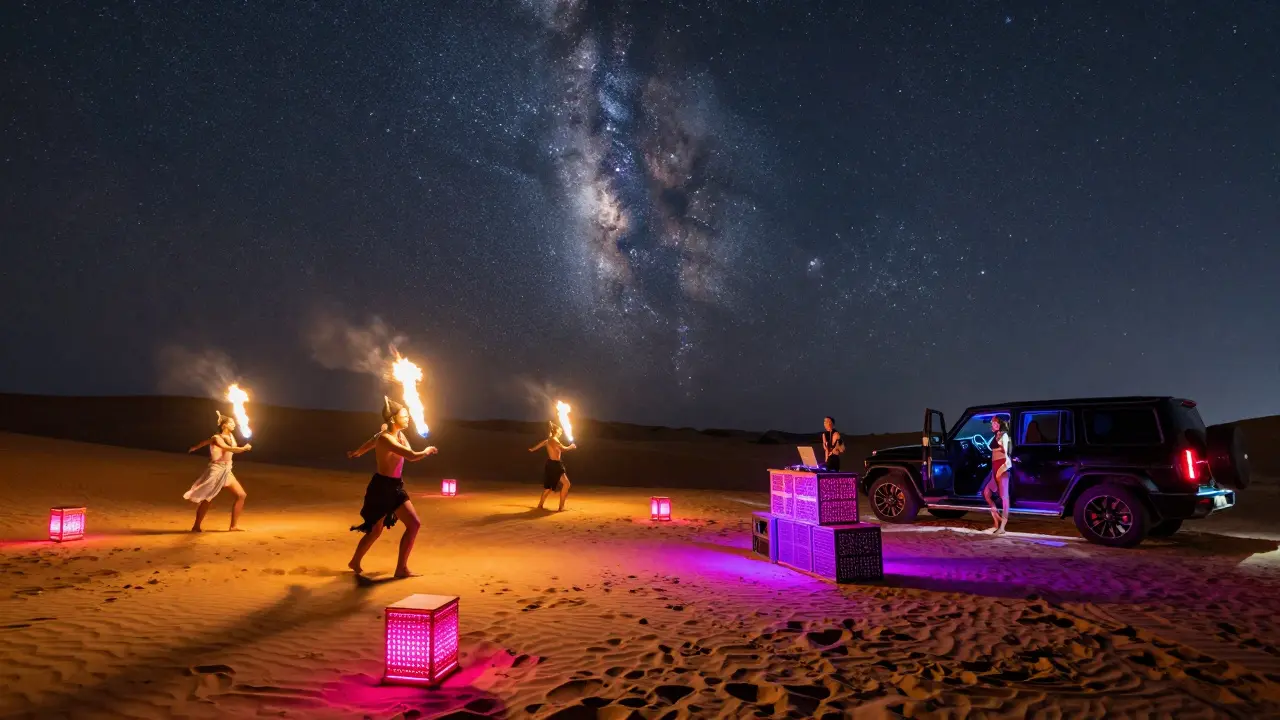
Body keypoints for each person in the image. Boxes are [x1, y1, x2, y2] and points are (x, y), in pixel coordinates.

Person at [347, 397, 437, 577]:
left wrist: (358, 451)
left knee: (412, 525)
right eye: (404, 415)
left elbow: (372, 440)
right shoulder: (387, 439)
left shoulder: (397, 435)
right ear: (392, 419)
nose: (408, 418)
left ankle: (398, 568)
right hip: (382, 488)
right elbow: (411, 456)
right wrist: (427, 451)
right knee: (377, 531)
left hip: (395, 487)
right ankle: (359, 561)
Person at [184, 411, 252, 532]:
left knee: (241, 495)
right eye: (231, 423)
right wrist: (243, 448)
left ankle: (233, 526)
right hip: (216, 470)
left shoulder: (231, 436)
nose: (234, 425)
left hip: (227, 470)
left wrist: (196, 447)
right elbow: (226, 448)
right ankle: (196, 526)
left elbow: (205, 442)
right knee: (208, 498)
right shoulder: (217, 438)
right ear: (224, 425)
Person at [529, 422, 576, 511]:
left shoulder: (548, 440)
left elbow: (541, 444)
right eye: (560, 432)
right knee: (566, 484)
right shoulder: (554, 440)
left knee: (549, 487)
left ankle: (540, 505)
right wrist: (571, 446)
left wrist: (532, 449)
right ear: (556, 432)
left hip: (550, 464)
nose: (561, 433)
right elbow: (563, 449)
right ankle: (561, 507)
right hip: (556, 465)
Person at [982, 416, 1013, 534]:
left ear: (1000, 423)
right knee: (986, 493)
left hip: (1002, 469)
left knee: (1005, 498)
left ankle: (1003, 527)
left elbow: (1007, 456)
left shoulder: (1004, 436)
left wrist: (1001, 470)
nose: (992, 424)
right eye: (992, 423)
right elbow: (990, 446)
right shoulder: (996, 436)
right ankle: (996, 522)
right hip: (995, 469)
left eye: (994, 423)